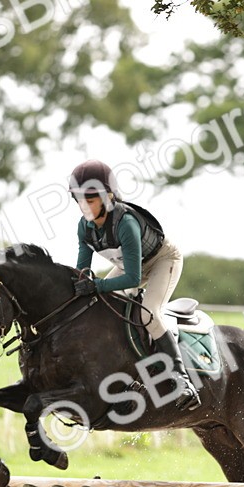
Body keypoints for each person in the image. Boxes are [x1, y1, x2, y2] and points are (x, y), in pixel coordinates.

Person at [68, 159, 200, 412]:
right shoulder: (84, 227)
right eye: (79, 199)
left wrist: (96, 285)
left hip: (162, 260)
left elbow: (132, 278)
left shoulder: (126, 223)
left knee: (148, 313)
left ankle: (181, 380)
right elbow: (82, 272)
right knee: (101, 307)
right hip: (131, 264)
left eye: (90, 200)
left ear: (108, 197)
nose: (84, 206)